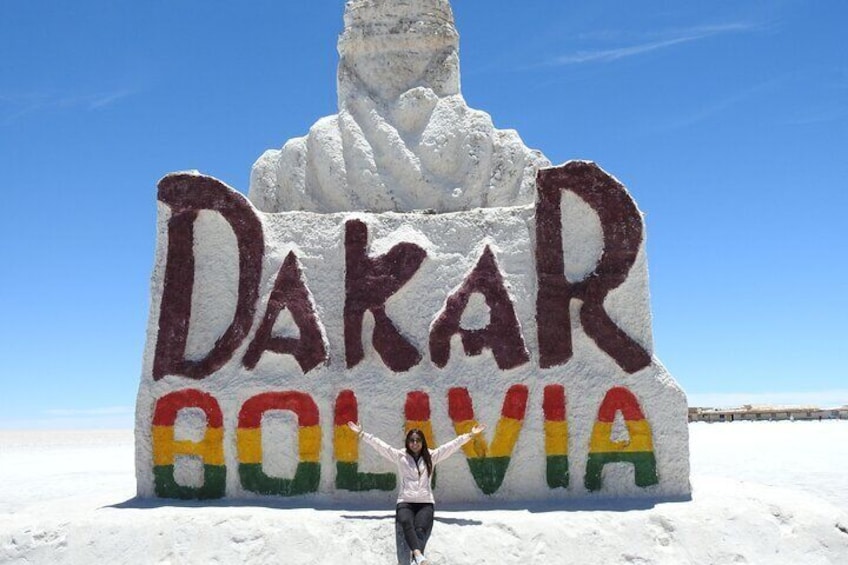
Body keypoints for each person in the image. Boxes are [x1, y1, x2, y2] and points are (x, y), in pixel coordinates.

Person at [249, 0, 549, 214]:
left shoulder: (510, 163)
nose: (396, 46)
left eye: (413, 36)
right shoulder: (294, 167)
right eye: (377, 31)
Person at [346, 420, 486, 565]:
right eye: (411, 440)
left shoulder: (432, 456)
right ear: (407, 442)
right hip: (405, 502)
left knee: (420, 529)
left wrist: (470, 435)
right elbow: (381, 446)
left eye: (418, 440)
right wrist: (362, 434)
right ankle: (419, 556)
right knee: (406, 522)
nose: (414, 443)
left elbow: (451, 446)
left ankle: (415, 558)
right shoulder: (400, 456)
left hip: (425, 503)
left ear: (422, 442)